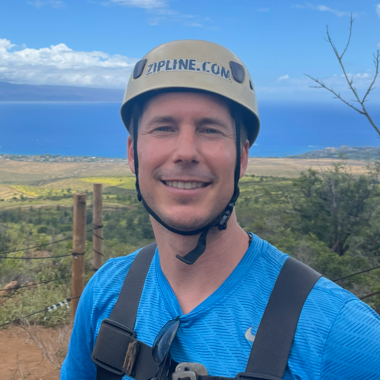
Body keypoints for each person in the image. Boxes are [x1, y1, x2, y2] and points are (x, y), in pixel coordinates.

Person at [61, 40, 380, 380]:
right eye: (164, 128)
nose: (185, 152)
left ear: (242, 157)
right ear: (132, 152)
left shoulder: (341, 333)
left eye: (210, 130)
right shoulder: (106, 294)